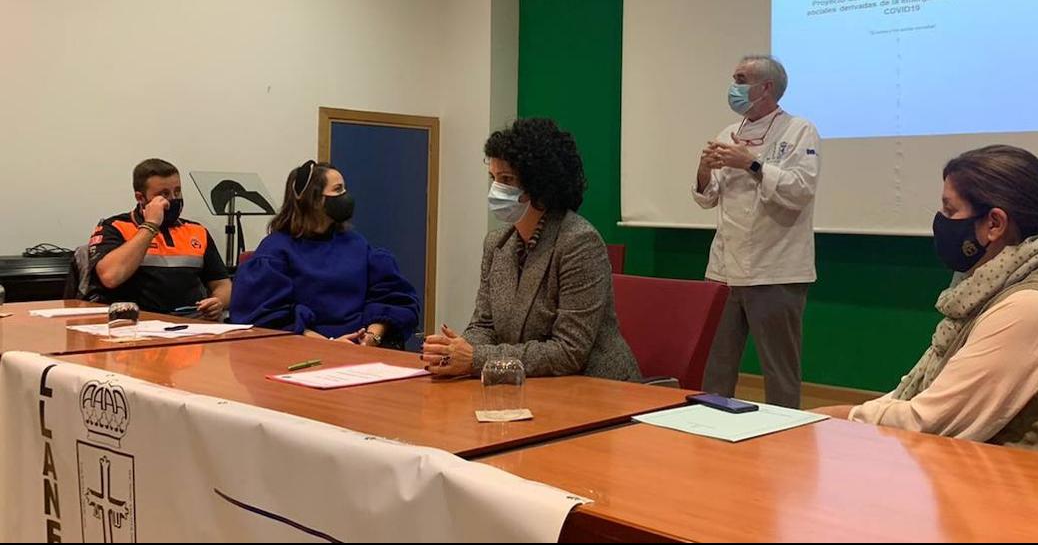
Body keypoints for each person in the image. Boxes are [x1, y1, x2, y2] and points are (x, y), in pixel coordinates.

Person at [817, 145, 1038, 460]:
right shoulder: (989, 286)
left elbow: (927, 425)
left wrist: (828, 417)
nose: (941, 222)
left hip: (1037, 492)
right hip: (990, 471)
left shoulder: (1030, 307)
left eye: (950, 211)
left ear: (994, 225)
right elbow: (925, 402)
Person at [422, 118, 640, 381]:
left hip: (593, 387)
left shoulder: (579, 242)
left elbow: (568, 352)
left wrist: (476, 359)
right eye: (493, 178)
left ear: (539, 184)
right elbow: (484, 325)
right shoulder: (496, 244)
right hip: (525, 384)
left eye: (506, 179)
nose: (495, 189)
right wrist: (453, 353)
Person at [695, 55, 820, 408]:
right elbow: (708, 197)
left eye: (741, 78)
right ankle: (709, 425)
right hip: (723, 268)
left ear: (766, 88)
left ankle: (786, 436)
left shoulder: (800, 130)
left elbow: (800, 190)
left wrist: (750, 163)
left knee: (779, 369)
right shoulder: (726, 133)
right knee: (715, 364)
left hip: (775, 267)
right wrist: (704, 169)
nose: (733, 86)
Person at [229, 161, 421, 346]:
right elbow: (265, 319)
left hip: (364, 350)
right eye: (338, 190)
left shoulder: (357, 243)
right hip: (304, 352)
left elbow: (392, 296)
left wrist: (372, 336)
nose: (345, 196)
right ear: (313, 200)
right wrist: (328, 344)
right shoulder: (276, 250)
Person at [88, 158, 230, 319]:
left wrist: (218, 301)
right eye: (164, 194)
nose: (173, 199)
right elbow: (111, 277)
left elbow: (222, 284)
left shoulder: (197, 231)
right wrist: (151, 225)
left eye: (177, 191)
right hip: (135, 325)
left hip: (191, 324)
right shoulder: (114, 227)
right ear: (140, 198)